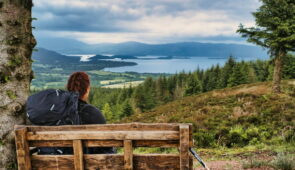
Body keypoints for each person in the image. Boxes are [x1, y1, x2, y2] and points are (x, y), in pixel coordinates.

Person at [66, 71, 116, 154]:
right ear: (87, 89)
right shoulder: (92, 112)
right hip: (89, 164)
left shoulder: (57, 111)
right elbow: (106, 146)